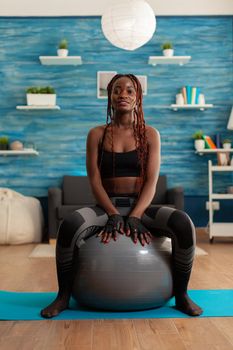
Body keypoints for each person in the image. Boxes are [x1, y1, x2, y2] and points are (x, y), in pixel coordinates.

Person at [41, 73, 203, 318]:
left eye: (129, 90)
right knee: (70, 225)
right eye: (117, 90)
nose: (123, 95)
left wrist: (136, 215)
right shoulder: (96, 134)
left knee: (183, 223)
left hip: (142, 206)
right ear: (110, 96)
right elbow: (94, 180)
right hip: (106, 207)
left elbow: (151, 182)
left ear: (138, 97)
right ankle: (63, 297)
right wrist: (113, 214)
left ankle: (181, 296)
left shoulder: (150, 134)